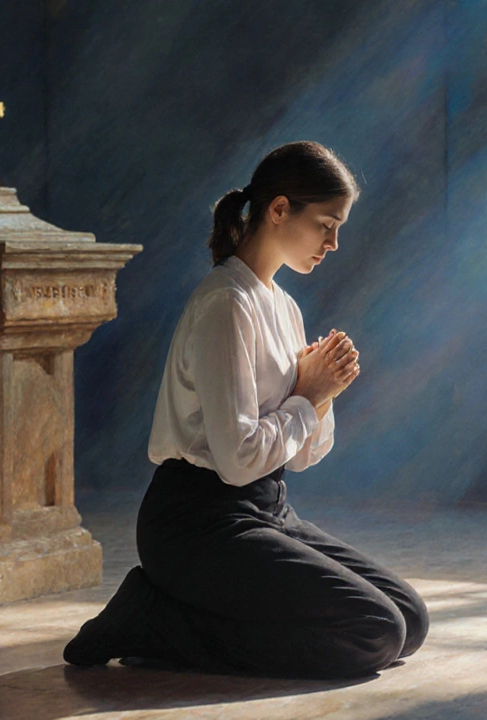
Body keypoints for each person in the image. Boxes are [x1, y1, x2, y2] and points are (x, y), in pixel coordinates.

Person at [63, 141, 429, 679]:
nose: (333, 243)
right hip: (195, 523)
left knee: (410, 621)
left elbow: (301, 457)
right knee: (375, 632)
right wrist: (307, 396)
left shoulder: (283, 305)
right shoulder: (225, 304)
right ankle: (153, 619)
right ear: (279, 210)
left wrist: (319, 395)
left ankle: (170, 616)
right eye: (327, 224)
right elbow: (236, 460)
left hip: (267, 509)